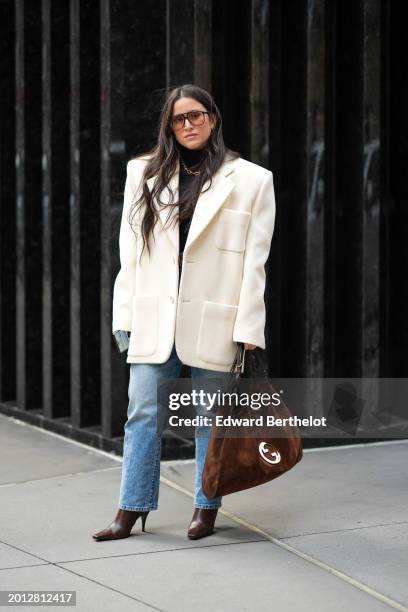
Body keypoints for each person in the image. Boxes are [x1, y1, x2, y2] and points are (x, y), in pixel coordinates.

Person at [92, 84, 276, 542]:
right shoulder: (143, 173)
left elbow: (256, 263)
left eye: (196, 116)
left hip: (216, 317)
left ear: (212, 118)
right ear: (168, 126)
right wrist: (124, 318)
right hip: (156, 316)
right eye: (179, 119)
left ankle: (205, 506)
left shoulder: (252, 179)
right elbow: (129, 254)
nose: (188, 125)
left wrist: (249, 326)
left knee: (209, 420)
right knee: (142, 412)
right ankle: (130, 508)